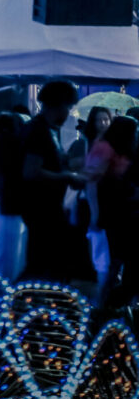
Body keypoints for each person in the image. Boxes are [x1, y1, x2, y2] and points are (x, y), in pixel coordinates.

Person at [21, 81, 86, 281]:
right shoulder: (38, 130)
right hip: (41, 210)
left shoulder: (49, 130)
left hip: (48, 208)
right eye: (68, 107)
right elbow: (30, 171)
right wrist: (67, 177)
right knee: (43, 267)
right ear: (59, 104)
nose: (69, 114)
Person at [84, 116, 138, 307]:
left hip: (122, 214)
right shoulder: (106, 149)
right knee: (113, 263)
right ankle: (104, 307)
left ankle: (107, 306)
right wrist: (95, 214)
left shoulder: (121, 150)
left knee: (118, 263)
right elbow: (92, 182)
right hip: (114, 214)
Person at [0, 112, 30, 280]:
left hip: (5, 211)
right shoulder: (3, 149)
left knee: (7, 271)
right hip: (6, 212)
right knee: (7, 272)